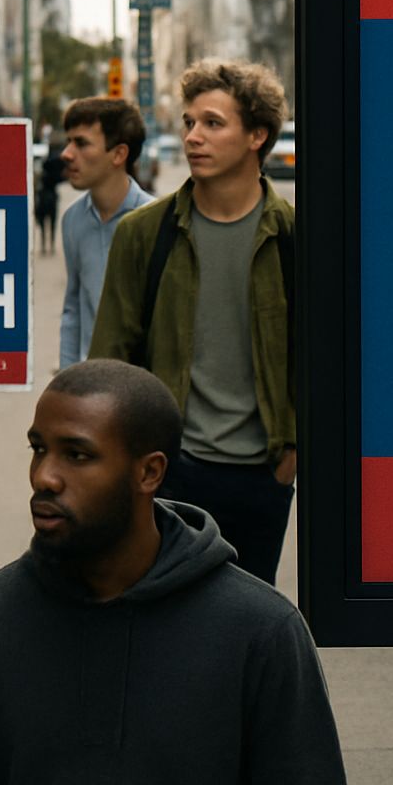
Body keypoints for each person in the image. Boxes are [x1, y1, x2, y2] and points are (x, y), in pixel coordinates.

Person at [0, 359, 345, 784]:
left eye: (77, 455)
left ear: (149, 472)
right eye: (39, 449)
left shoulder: (261, 631)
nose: (44, 476)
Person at [89, 59, 296, 585]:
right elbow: (110, 360)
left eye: (212, 123)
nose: (192, 137)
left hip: (262, 474)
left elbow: (329, 354)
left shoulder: (295, 235)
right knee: (167, 624)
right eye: (188, 123)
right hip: (168, 470)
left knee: (248, 628)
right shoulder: (143, 234)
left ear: (257, 135)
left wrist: (291, 456)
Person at [57, 96, 153, 368]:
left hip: (142, 388)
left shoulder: (157, 221)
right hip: (91, 386)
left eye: (81, 143)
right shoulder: (73, 220)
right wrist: (67, 383)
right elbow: (73, 309)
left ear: (119, 154)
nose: (67, 153)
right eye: (68, 141)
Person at [34, 133, 67, 256]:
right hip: (51, 196)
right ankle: (50, 245)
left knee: (44, 223)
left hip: (44, 196)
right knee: (51, 222)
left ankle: (45, 245)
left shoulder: (45, 165)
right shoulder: (55, 164)